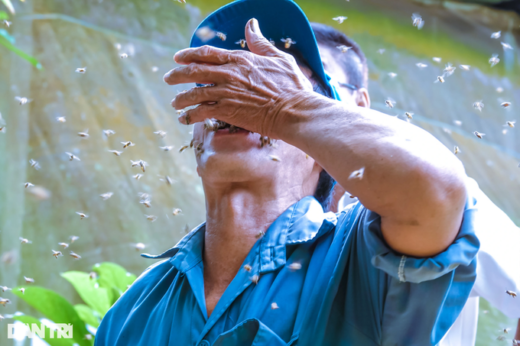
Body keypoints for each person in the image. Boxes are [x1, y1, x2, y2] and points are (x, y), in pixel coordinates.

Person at [94, 1, 480, 345]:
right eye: (220, 85)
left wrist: (285, 109)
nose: (239, 97)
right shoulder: (133, 310)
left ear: (321, 144)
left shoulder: (361, 259)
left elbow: (439, 190)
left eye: (270, 81)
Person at [310, 22, 520, 346]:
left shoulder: (437, 195)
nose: (291, 99)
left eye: (314, 82)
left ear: (360, 104)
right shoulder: (267, 221)